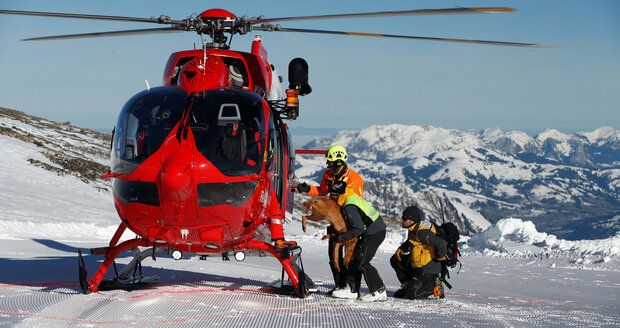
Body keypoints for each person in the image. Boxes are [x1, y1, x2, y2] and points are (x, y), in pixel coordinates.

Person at [296, 145, 365, 293]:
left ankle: (352, 287)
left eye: (330, 163)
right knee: (333, 255)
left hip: (350, 222)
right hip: (334, 219)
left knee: (350, 255)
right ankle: (339, 285)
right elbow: (322, 191)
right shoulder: (328, 175)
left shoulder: (354, 179)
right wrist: (307, 189)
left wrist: (344, 190)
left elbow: (358, 200)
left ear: (338, 162)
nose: (328, 165)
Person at [328, 180, 387, 302]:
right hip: (370, 231)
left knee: (361, 260)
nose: (331, 197)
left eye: (333, 195)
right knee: (353, 258)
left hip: (375, 233)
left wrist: (341, 238)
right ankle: (352, 290)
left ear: (339, 195)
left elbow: (358, 228)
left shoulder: (349, 205)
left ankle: (379, 290)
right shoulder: (349, 196)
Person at [390, 205, 448, 299]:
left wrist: (439, 257)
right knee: (395, 259)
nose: (402, 220)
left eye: (404, 218)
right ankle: (407, 284)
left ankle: (436, 285)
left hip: (428, 269)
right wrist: (402, 248)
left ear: (411, 220)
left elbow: (441, 244)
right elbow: (413, 242)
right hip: (418, 265)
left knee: (411, 294)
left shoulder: (422, 233)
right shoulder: (413, 229)